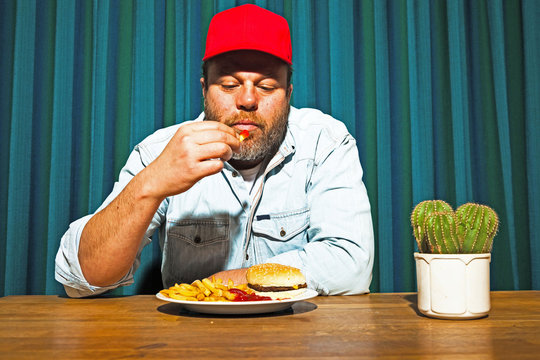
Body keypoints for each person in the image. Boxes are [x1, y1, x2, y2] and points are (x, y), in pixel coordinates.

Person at [55, 4, 374, 298]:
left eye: (265, 86)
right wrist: (150, 185)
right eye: (230, 84)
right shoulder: (161, 151)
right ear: (204, 89)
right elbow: (79, 280)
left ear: (288, 94)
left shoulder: (325, 142)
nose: (248, 100)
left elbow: (352, 264)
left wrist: (225, 283)